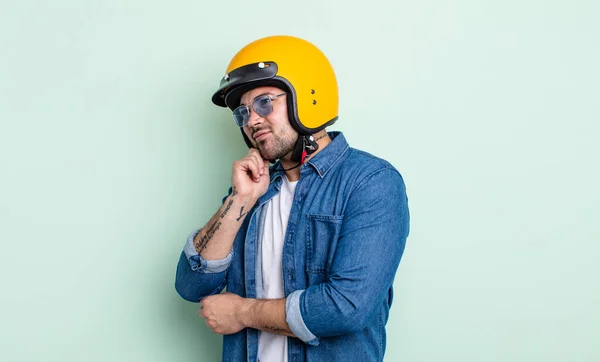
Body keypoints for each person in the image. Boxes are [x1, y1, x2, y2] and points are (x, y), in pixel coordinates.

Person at [175, 35, 410, 362]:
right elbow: (191, 286)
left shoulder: (370, 181)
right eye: (243, 113)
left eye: (264, 103)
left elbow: (346, 307)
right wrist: (238, 201)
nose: (252, 120)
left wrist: (242, 312)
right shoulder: (253, 189)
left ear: (308, 96)